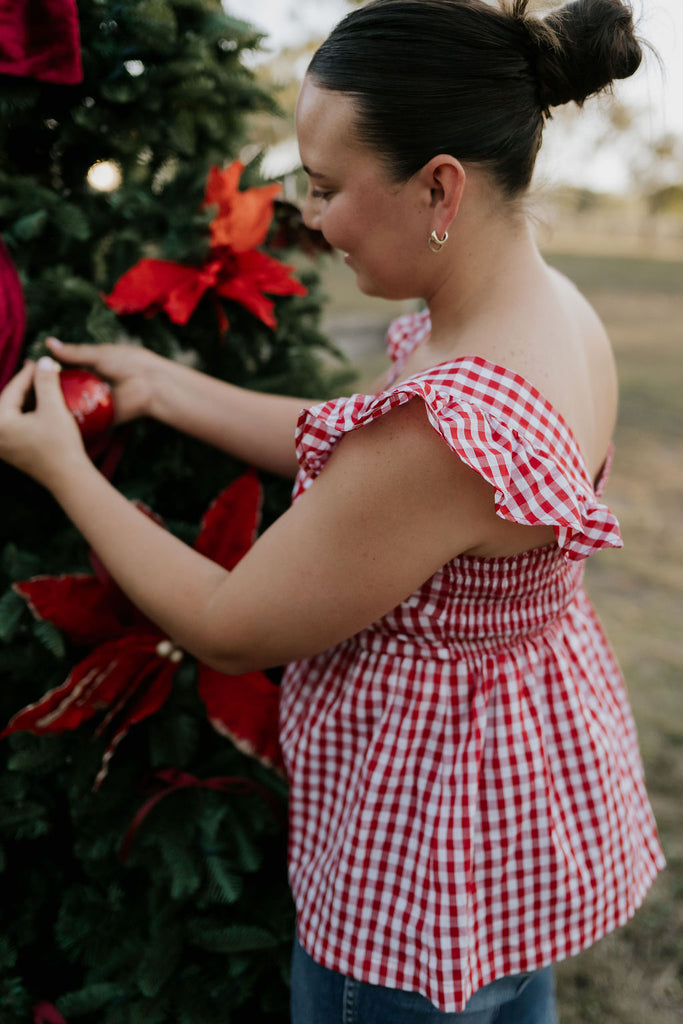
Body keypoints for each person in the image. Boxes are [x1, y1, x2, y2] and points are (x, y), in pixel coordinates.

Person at [0, 0, 665, 1020]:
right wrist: (168, 386)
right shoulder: (545, 315)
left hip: (414, 878)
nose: (306, 215)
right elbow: (359, 457)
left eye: (324, 187)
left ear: (438, 184)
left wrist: (62, 467)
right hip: (505, 843)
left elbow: (230, 625)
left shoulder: (440, 434)